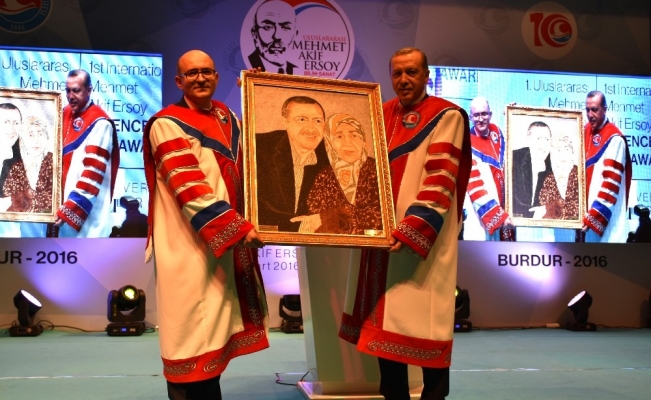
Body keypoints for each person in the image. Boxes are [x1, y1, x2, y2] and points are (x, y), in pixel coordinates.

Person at [339, 47, 471, 400]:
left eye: (411, 72)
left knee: (426, 327)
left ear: (426, 75)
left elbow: (441, 177)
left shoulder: (446, 116)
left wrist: (413, 228)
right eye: (397, 73)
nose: (404, 79)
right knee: (383, 329)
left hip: (421, 243)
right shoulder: (379, 113)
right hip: (381, 241)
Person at [142, 50, 269, 400]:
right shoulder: (166, 124)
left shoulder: (228, 117)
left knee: (213, 347)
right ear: (179, 81)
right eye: (192, 73)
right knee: (188, 346)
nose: (200, 78)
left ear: (216, 77)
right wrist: (238, 229)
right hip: (188, 250)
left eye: (207, 72)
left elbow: (257, 160)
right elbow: (189, 187)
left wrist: (263, 97)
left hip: (221, 249)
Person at [55, 69, 119, 237]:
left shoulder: (100, 123)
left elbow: (93, 172)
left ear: (89, 90)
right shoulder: (62, 114)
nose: (70, 96)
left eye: (76, 90)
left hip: (87, 219)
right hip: (60, 214)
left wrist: (70, 209)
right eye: (68, 90)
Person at [255, 95, 330, 232]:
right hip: (265, 239)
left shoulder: (335, 155)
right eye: (302, 119)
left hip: (316, 241)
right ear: (286, 122)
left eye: (317, 121)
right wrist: (299, 226)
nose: (311, 128)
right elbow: (256, 207)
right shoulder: (259, 146)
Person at [305, 113, 382, 234]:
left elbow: (379, 216)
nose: (348, 143)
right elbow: (315, 216)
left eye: (354, 135)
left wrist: (332, 216)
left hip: (368, 243)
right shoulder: (324, 176)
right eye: (339, 136)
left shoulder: (378, 171)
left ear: (363, 141)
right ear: (330, 142)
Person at [582, 90, 631, 242]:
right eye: (587, 110)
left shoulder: (615, 139)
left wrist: (594, 217)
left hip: (607, 224)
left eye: (594, 110)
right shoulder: (584, 131)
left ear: (605, 109)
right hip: (585, 221)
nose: (590, 114)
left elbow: (611, 183)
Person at [463, 96, 511, 240]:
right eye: (476, 115)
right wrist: (498, 216)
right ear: (470, 117)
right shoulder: (466, 144)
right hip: (482, 217)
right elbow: (474, 187)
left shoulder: (497, 132)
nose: (481, 119)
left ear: (490, 114)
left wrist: (513, 116)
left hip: (506, 209)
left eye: (484, 114)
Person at [3, 116, 54, 214]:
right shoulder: (17, 167)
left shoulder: (53, 162)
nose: (36, 140)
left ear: (47, 138)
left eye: (40, 134)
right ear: (23, 140)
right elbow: (8, 195)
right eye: (30, 135)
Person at [511, 121, 552, 218]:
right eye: (538, 139)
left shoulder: (556, 163)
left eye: (546, 139)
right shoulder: (514, 158)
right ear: (529, 138)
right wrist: (532, 213)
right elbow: (511, 199)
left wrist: (547, 209)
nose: (543, 144)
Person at [248, 0, 298, 74]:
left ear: (295, 34)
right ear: (254, 34)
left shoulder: (296, 71)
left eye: (285, 27)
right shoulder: (246, 69)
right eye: (268, 27)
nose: (277, 36)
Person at [537, 134, 579, 220]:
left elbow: (580, 206)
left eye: (567, 149)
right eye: (559, 150)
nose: (563, 154)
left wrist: (550, 208)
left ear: (572, 153)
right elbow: (543, 203)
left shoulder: (580, 174)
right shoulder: (549, 179)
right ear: (553, 154)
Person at [0, 103, 23, 236]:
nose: (11, 128)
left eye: (15, 123)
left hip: (10, 233)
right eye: (6, 122)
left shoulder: (26, 160)